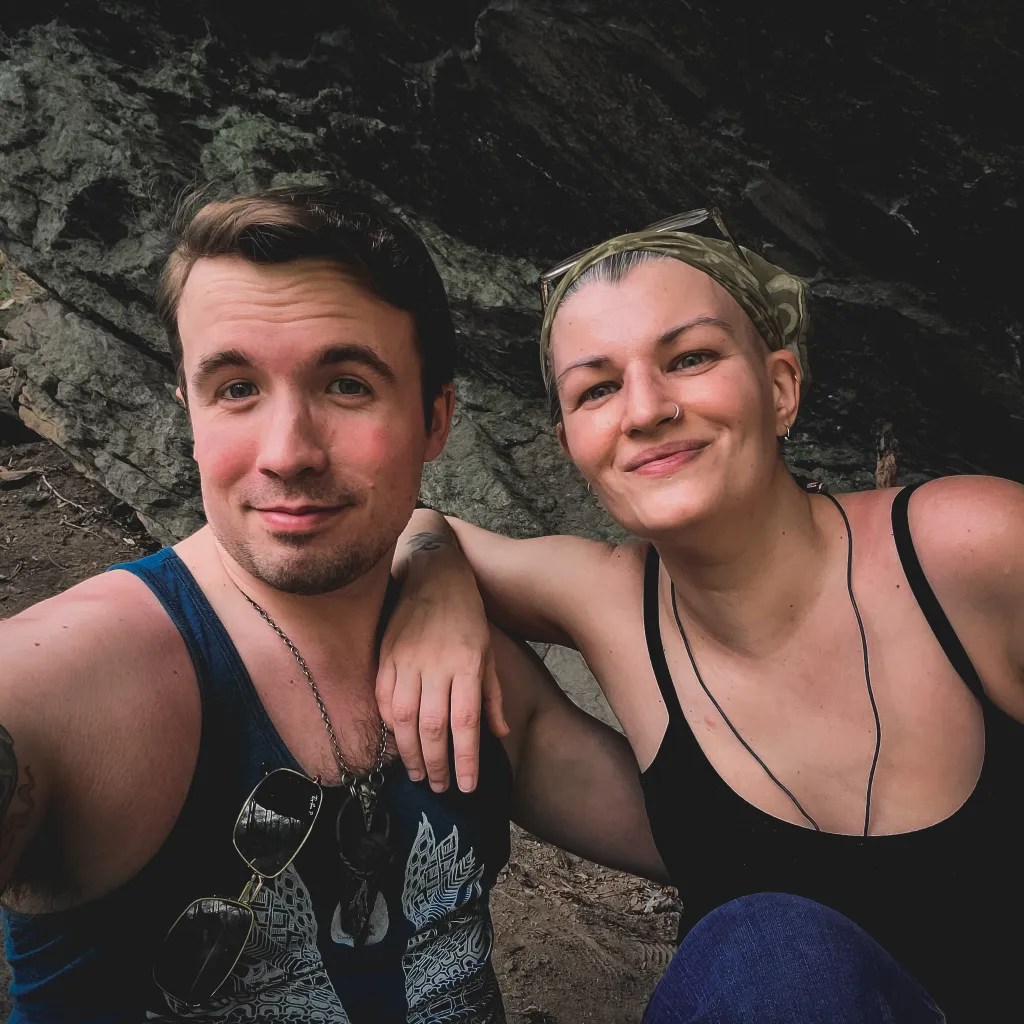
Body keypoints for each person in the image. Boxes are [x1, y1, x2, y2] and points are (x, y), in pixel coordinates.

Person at [0, 185, 667, 1023]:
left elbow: (725, 843)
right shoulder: (74, 681)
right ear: (190, 414)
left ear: (435, 419)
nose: (288, 454)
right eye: (235, 388)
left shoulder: (479, 678)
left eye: (347, 385)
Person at [382, 208, 1024, 1023]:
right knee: (768, 954)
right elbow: (394, 524)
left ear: (781, 387)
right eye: (597, 389)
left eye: (689, 358)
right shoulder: (611, 602)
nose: (645, 410)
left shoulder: (968, 548)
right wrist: (435, 585)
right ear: (572, 444)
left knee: (768, 947)